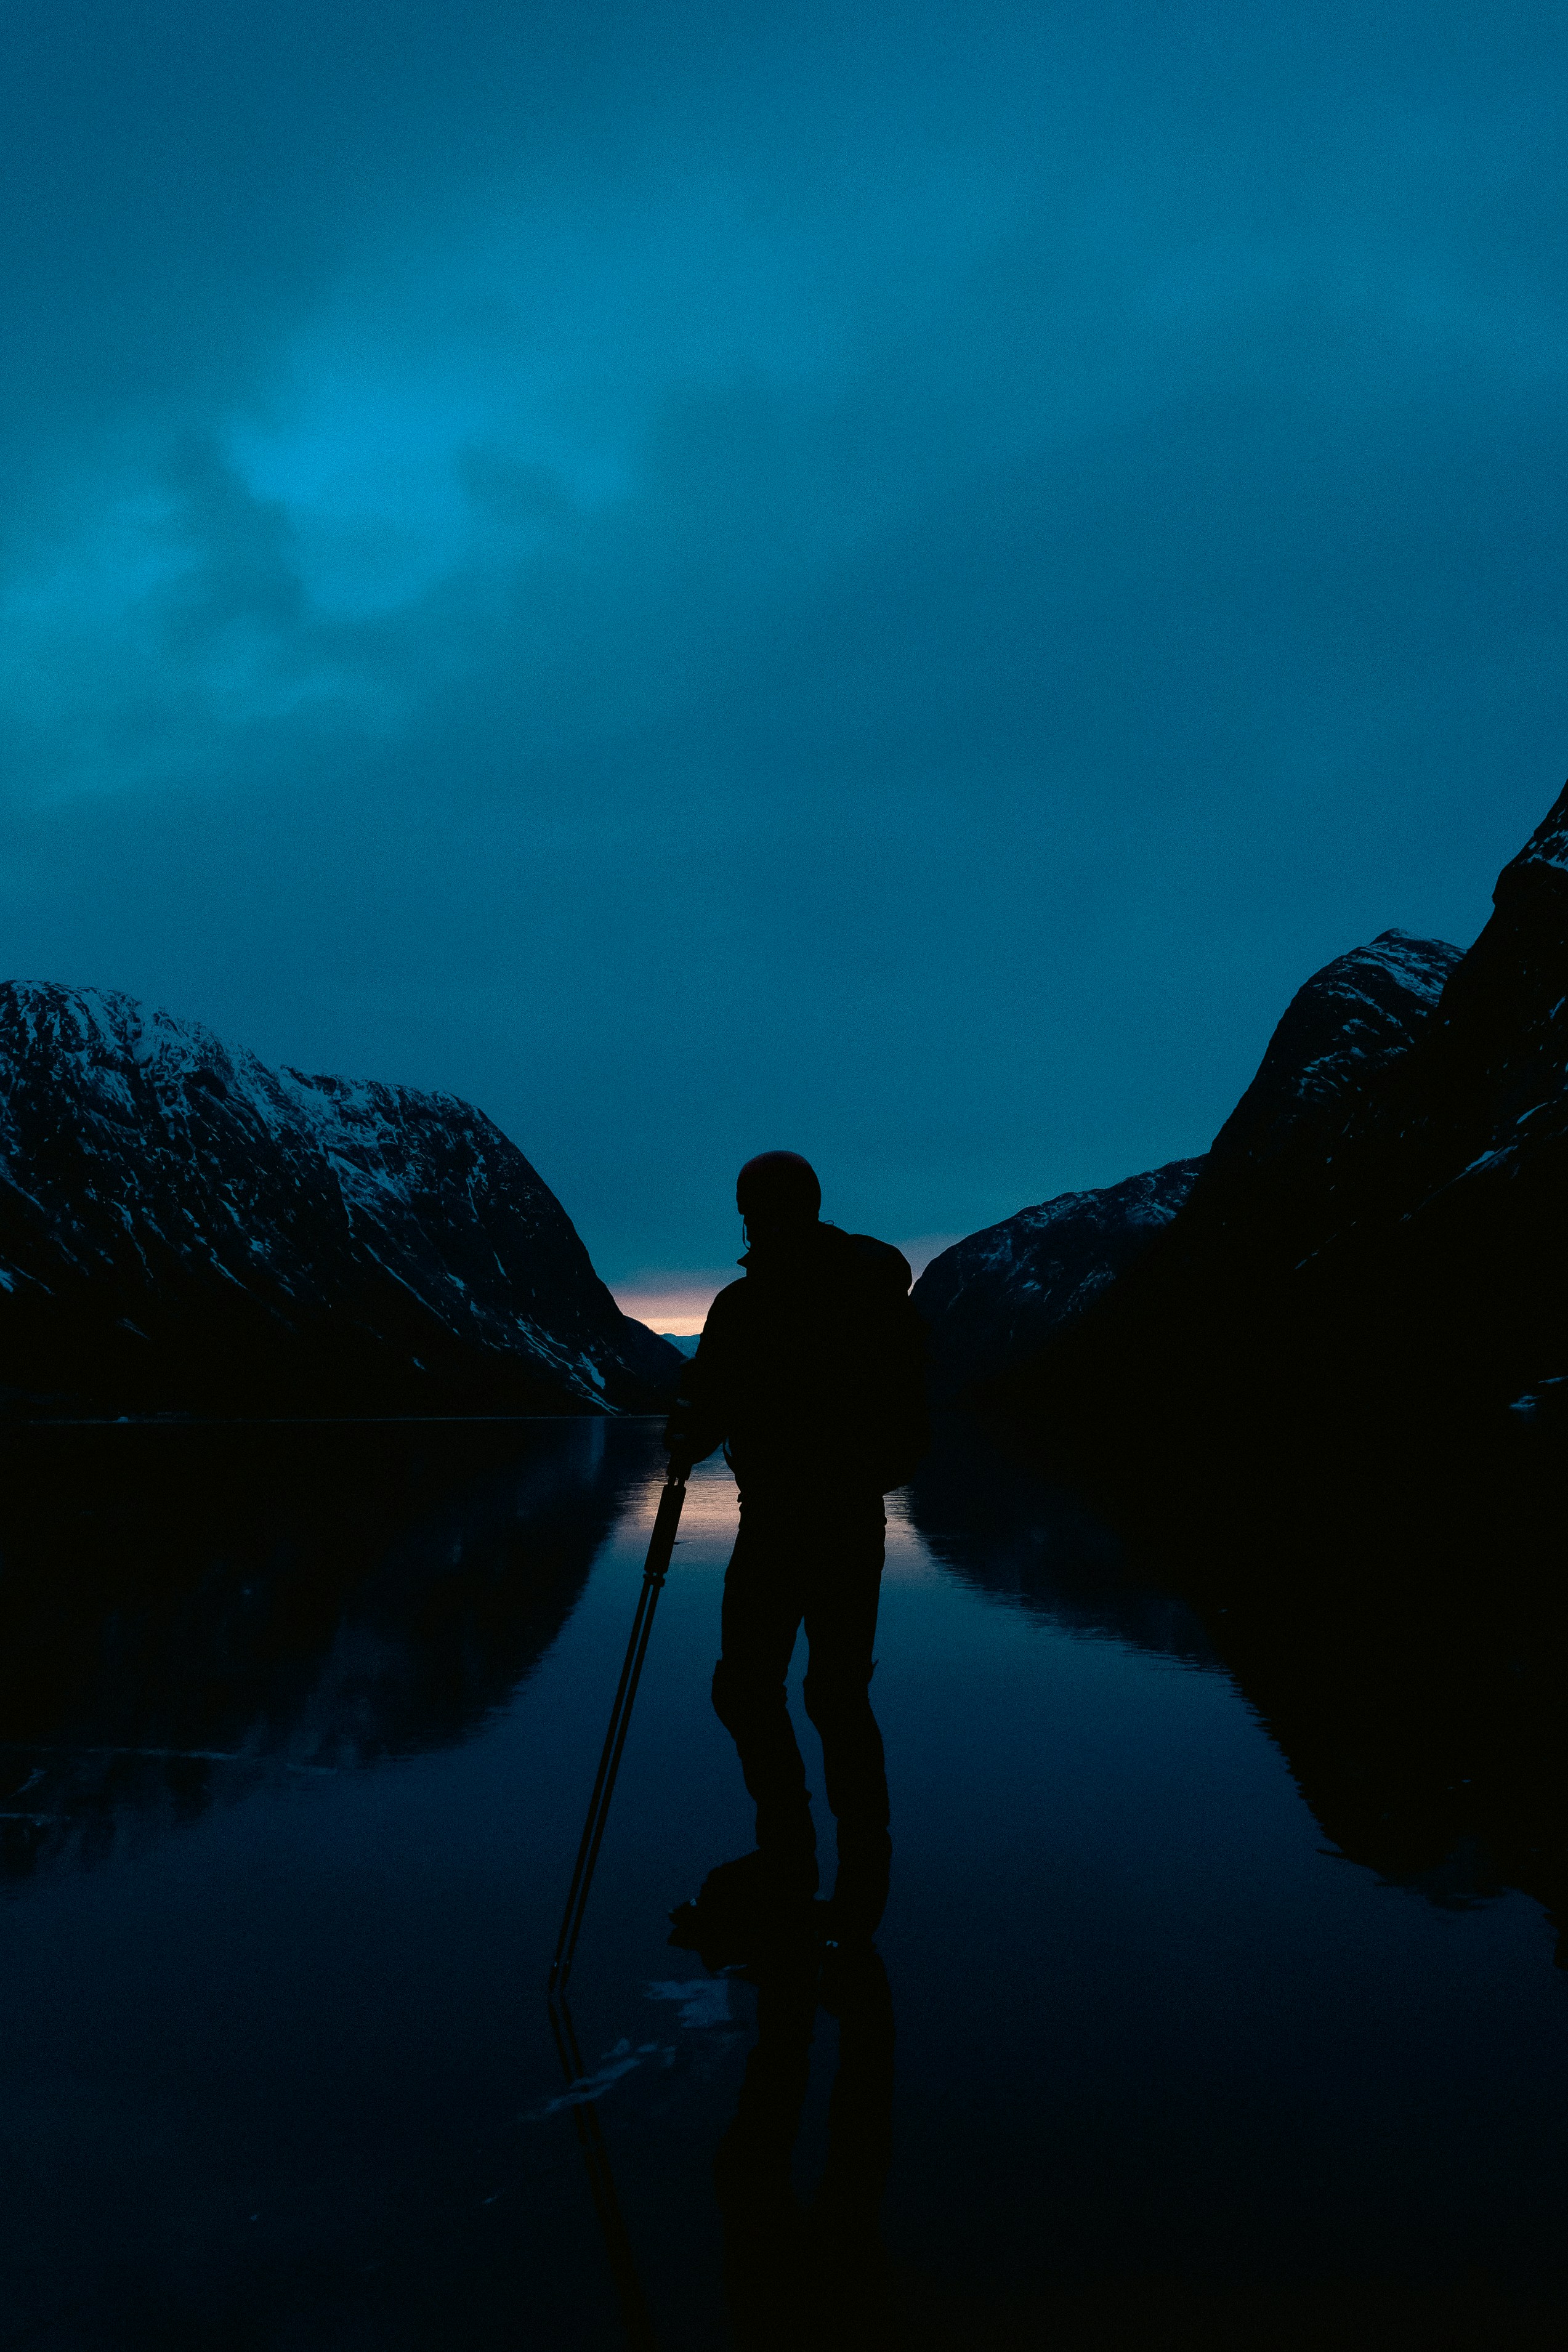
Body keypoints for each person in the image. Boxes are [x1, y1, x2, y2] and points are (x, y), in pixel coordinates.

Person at [664, 1151, 929, 1940]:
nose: (745, 1220)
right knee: (833, 1693)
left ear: (770, 1210)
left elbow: (707, 1412)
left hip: (779, 1523)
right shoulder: (870, 1294)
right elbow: (903, 1419)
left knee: (750, 1688)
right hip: (850, 1524)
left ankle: (792, 1846)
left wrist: (687, 1435)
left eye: (751, 1207)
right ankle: (857, 1859)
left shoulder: (743, 1306)